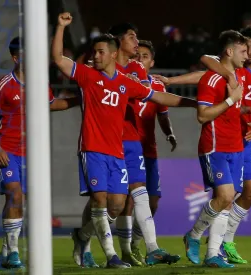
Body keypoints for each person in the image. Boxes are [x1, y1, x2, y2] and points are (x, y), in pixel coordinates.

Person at [52, 12, 195, 268]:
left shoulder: (125, 82)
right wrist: (61, 27)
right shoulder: (87, 76)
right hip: (92, 149)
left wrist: (195, 104)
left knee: (117, 206)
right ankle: (112, 256)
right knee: (100, 200)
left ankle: (82, 235)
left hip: (117, 151)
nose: (95, 56)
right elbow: (59, 60)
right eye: (94, 52)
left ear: (111, 53)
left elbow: (159, 97)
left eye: (99, 52)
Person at [0, 36, 79, 270]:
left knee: (22, 201)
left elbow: (51, 104)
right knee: (14, 195)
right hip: (7, 150)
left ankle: (6, 251)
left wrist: (81, 99)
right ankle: (14, 252)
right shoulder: (2, 85)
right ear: (16, 58)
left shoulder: (39, 83)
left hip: (31, 153)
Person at [183, 30, 251, 268]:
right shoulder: (211, 79)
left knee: (227, 202)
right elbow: (202, 115)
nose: (247, 54)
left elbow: (230, 110)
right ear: (229, 51)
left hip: (236, 146)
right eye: (242, 50)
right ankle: (194, 235)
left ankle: (213, 255)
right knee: (225, 197)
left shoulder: (236, 77)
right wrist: (230, 100)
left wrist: (246, 108)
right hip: (215, 146)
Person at [106, 22, 181, 266]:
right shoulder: (105, 64)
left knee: (143, 196)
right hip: (107, 142)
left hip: (137, 143)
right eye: (132, 38)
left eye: (145, 54)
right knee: (110, 202)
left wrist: (189, 105)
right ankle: (85, 237)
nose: (137, 46)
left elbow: (157, 104)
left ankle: (147, 248)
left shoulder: (138, 71)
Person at [129, 40, 178, 263]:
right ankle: (136, 247)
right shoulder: (125, 81)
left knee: (154, 200)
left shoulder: (158, 87)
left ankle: (136, 244)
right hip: (127, 147)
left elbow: (162, 114)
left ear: (152, 62)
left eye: (145, 56)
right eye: (137, 54)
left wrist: (169, 133)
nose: (140, 58)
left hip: (148, 149)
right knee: (127, 201)